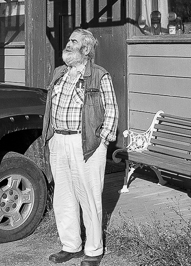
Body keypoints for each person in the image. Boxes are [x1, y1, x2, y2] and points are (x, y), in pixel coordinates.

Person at [42, 28, 118, 266]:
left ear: (85, 49)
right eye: (68, 40)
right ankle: (70, 246)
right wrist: (51, 137)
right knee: (63, 197)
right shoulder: (59, 72)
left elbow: (112, 110)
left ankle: (94, 250)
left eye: (73, 41)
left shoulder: (99, 75)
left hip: (85, 143)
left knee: (90, 197)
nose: (68, 44)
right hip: (59, 141)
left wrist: (102, 141)